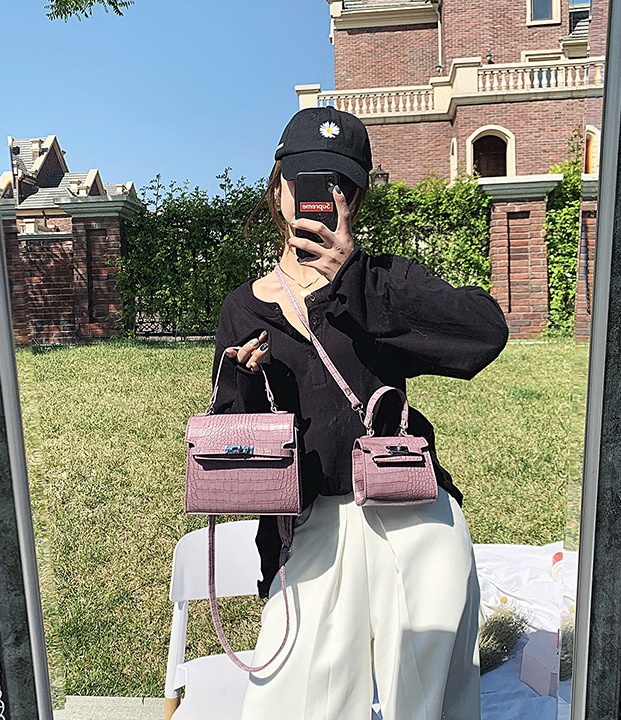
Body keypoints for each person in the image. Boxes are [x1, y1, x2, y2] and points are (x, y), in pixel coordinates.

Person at [210, 106, 508, 720]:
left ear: (357, 197)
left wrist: (353, 279)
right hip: (310, 521)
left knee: (429, 699)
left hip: (409, 505)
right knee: (291, 702)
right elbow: (237, 449)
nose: (321, 198)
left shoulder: (382, 281)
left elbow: (483, 334)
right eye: (307, 181)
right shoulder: (243, 308)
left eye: (338, 185)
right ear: (279, 187)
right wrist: (243, 382)